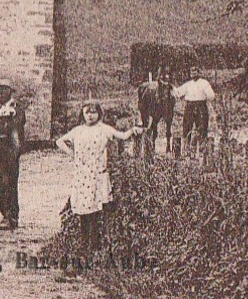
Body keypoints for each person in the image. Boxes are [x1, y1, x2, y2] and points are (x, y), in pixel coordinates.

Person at [56, 102, 141, 260]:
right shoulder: (78, 131)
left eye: (93, 112)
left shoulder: (104, 129)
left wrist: (133, 131)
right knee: (83, 211)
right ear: (82, 114)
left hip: (97, 175)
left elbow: (122, 136)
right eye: (87, 112)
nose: (90, 115)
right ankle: (83, 245)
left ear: (99, 114)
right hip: (82, 175)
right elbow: (59, 142)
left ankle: (95, 247)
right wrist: (72, 154)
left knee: (95, 211)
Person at [0, 79, 25, 229]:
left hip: (9, 149)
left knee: (8, 183)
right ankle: (5, 214)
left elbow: (16, 128)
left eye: (3, 91)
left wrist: (1, 124)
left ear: (10, 91)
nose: (0, 95)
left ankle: (12, 217)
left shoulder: (16, 109)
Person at [172, 66, 216, 153]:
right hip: (189, 106)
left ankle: (202, 150)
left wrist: (205, 96)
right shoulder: (188, 84)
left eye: (195, 72)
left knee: (202, 128)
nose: (193, 74)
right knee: (187, 128)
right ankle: (187, 150)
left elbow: (211, 95)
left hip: (201, 106)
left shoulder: (204, 83)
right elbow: (178, 93)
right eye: (192, 72)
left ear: (199, 73)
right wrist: (172, 88)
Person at [135, 68, 174, 158]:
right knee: (153, 124)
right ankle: (150, 145)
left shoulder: (169, 85)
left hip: (166, 88)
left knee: (169, 124)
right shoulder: (157, 79)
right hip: (158, 88)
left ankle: (168, 146)